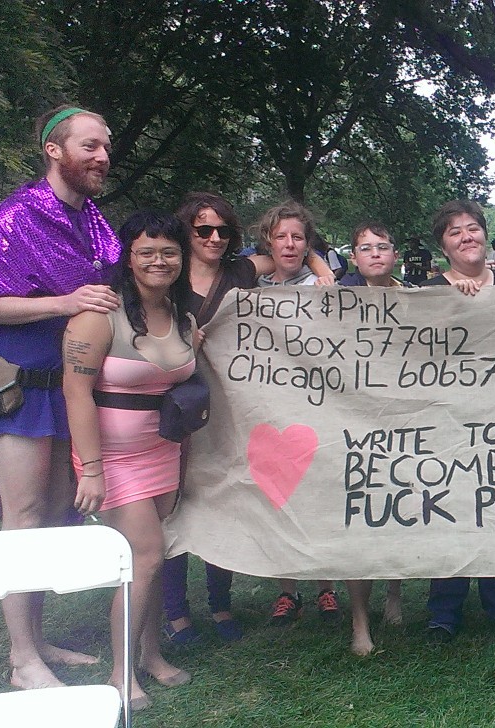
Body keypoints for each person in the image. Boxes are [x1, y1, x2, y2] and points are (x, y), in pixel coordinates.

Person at [0, 105, 119, 690]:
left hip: (70, 390)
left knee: (51, 518)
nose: (102, 156)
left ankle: (39, 638)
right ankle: (22, 660)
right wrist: (63, 302)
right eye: (90, 146)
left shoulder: (93, 221)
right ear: (55, 150)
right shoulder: (16, 217)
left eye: (105, 146)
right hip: (20, 392)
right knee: (20, 518)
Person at [160, 192, 334, 647]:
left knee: (222, 498)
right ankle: (176, 614)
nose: (214, 238)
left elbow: (292, 248)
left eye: (221, 230)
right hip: (171, 403)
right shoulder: (170, 276)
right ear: (187, 233)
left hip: (227, 407)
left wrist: (323, 268)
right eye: (203, 230)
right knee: (171, 505)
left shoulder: (240, 272)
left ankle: (220, 604)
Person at [63, 210, 198, 710]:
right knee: (143, 554)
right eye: (147, 252)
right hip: (112, 461)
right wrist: (91, 468)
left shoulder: (182, 317)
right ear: (128, 256)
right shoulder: (97, 316)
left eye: (169, 252)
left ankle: (151, 653)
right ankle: (122, 675)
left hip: (163, 451)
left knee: (154, 555)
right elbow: (75, 393)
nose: (159, 261)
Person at [420, 200, 495, 646]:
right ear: (443, 244)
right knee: (449, 509)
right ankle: (443, 611)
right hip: (447, 420)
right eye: (455, 232)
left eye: (473, 228)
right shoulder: (428, 291)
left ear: (485, 234)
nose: (467, 237)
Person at [253, 202, 342, 623]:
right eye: (281, 236)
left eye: (298, 237)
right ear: (267, 240)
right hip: (267, 409)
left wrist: (319, 267)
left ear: (309, 243)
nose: (289, 244)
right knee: (278, 497)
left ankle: (326, 587)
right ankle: (287, 590)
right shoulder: (250, 288)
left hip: (317, 408)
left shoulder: (322, 286)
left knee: (318, 497)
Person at [331, 221, 409, 653]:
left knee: (398, 509)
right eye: (365, 248)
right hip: (352, 421)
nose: (375, 254)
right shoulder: (334, 300)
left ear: (393, 253)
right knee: (358, 519)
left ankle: (394, 595)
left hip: (404, 420)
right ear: (355, 257)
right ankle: (359, 621)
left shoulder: (417, 297)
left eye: (382, 246)